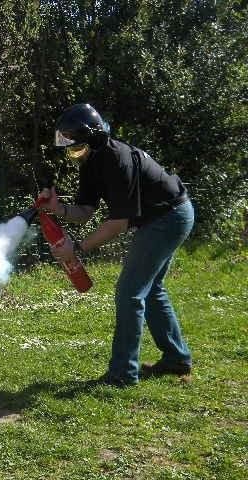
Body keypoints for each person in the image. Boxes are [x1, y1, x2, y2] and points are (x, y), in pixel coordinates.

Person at [39, 103, 194, 387]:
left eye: (77, 146)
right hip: (161, 217)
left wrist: (78, 248)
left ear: (94, 138)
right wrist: (58, 208)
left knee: (129, 293)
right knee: (151, 289)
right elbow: (85, 211)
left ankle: (123, 373)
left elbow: (118, 224)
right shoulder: (92, 160)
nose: (74, 154)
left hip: (170, 216)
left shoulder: (118, 160)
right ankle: (176, 358)